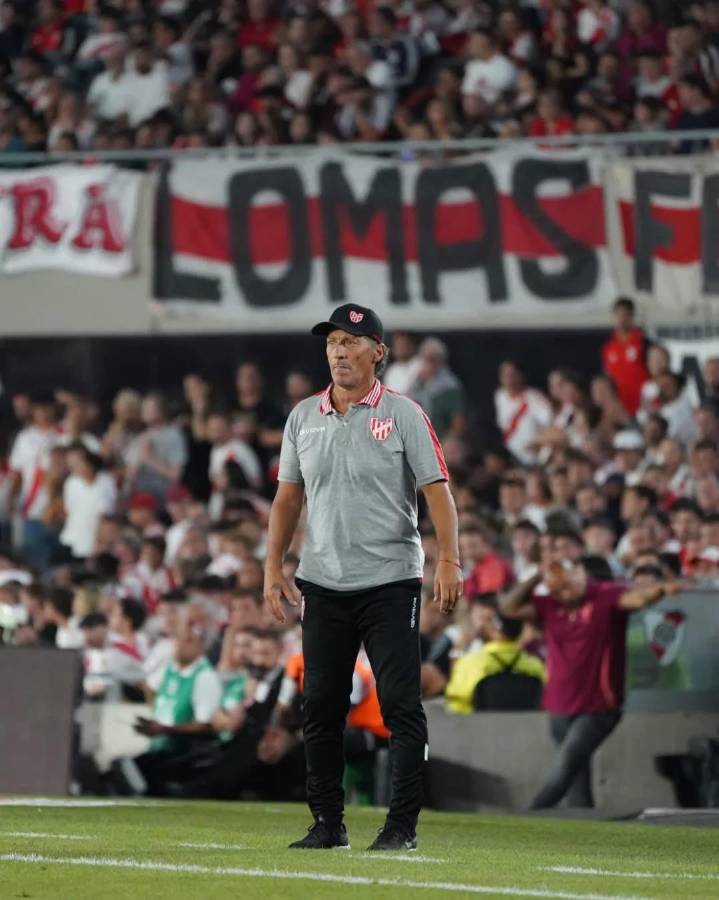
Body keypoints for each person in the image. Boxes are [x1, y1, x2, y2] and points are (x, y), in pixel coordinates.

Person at [264, 303, 462, 852]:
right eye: (332, 343)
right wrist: (271, 566)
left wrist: (449, 559)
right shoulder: (303, 416)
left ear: (379, 351)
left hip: (390, 580)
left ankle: (401, 826)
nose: (338, 352)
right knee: (321, 706)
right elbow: (287, 497)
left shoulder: (404, 414)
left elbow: (437, 490)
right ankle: (328, 823)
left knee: (401, 703)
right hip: (322, 581)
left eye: (351, 343)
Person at [500, 559, 681, 809]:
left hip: (599, 705)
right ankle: (582, 828)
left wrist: (660, 589)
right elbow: (508, 607)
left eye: (569, 583)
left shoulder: (605, 596)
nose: (564, 593)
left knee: (565, 765)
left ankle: (529, 814)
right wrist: (536, 578)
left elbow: (637, 599)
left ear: (582, 572)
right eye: (558, 589)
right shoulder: (549, 605)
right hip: (559, 704)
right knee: (576, 775)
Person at [445, 611, 544, 714]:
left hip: (480, 728)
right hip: (528, 728)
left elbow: (455, 706)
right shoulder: (536, 665)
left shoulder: (469, 663)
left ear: (493, 628)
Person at [601, 297, 650, 417]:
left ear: (632, 317)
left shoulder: (643, 342)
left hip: (642, 407)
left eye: (625, 315)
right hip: (620, 409)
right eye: (618, 315)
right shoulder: (609, 348)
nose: (621, 319)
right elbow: (608, 377)